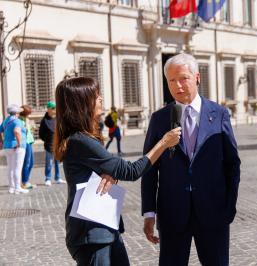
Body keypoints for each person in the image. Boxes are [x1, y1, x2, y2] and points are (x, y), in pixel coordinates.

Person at [53, 77, 181, 265]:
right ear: (81, 103)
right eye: (95, 96)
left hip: (104, 228)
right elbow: (131, 171)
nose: (101, 99)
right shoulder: (80, 141)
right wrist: (163, 143)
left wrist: (112, 175)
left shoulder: (84, 138)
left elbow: (107, 172)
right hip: (92, 234)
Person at [141, 53, 241, 266]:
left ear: (197, 77)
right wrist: (149, 212)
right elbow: (150, 168)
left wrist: (229, 205)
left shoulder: (219, 113)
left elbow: (232, 164)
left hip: (213, 212)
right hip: (173, 213)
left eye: (183, 78)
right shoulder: (159, 119)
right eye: (171, 80)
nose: (177, 85)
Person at [0, 104, 29, 194]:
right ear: (16, 112)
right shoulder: (17, 121)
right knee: (17, 167)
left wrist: (2, 141)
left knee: (10, 168)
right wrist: (19, 143)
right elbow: (16, 131)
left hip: (7, 146)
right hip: (17, 147)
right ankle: (17, 188)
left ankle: (11, 187)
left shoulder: (6, 121)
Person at [39, 101, 66, 185]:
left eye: (55, 108)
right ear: (48, 109)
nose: (55, 110)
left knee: (58, 162)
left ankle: (58, 178)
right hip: (49, 145)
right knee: (49, 163)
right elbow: (41, 134)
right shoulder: (44, 120)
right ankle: (48, 179)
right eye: (53, 108)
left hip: (58, 144)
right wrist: (47, 140)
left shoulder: (58, 119)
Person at [19, 105, 37, 189]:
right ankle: (24, 182)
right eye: (28, 113)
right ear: (25, 113)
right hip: (25, 143)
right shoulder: (20, 120)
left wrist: (32, 128)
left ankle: (26, 181)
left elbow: (30, 130)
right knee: (27, 163)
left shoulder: (26, 119)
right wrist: (27, 124)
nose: (29, 115)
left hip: (29, 141)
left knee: (31, 163)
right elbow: (23, 131)